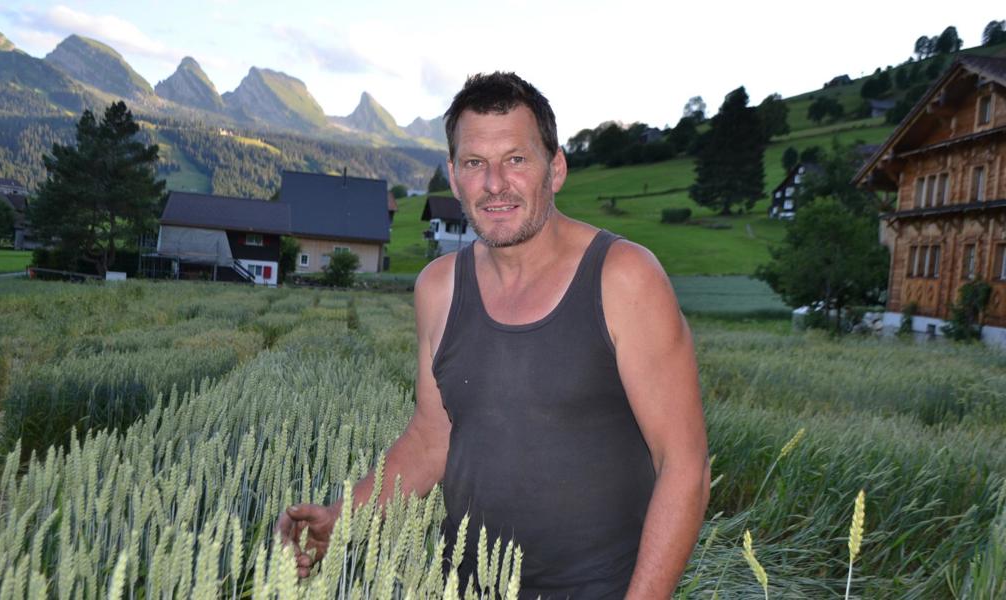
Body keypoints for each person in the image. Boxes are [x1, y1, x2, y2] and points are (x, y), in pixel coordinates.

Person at [277, 72, 710, 599]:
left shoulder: (624, 277)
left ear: (556, 168)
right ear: (455, 178)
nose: (495, 183)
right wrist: (339, 519)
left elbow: (683, 465)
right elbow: (431, 440)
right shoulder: (437, 288)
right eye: (475, 163)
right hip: (464, 585)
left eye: (516, 159)